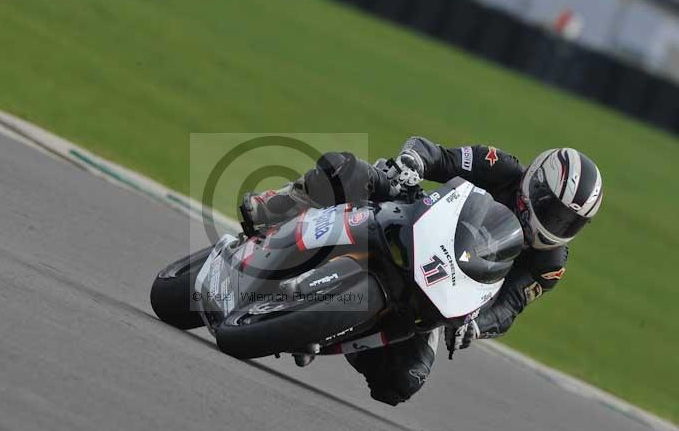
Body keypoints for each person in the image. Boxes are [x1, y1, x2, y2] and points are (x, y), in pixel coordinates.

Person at [240, 137, 603, 406]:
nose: (557, 224)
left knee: (402, 382)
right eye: (553, 211)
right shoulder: (500, 166)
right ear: (535, 185)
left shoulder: (550, 264)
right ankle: (279, 205)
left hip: (442, 292)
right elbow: (438, 155)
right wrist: (413, 162)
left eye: (569, 221)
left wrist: (477, 326)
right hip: (415, 221)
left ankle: (326, 332)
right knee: (346, 171)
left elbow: (508, 308)